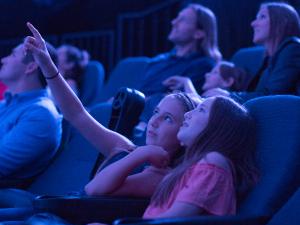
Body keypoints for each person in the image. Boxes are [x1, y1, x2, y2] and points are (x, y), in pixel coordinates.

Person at [76, 95, 258, 225]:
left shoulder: (214, 162)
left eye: (201, 110)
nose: (188, 114)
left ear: (217, 129)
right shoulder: (185, 171)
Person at [24, 23, 201, 199]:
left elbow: (94, 190)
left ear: (184, 132)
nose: (153, 121)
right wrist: (46, 62)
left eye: (168, 119)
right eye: (156, 113)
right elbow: (77, 115)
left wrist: (140, 155)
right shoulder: (128, 148)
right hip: (56, 213)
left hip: (69, 220)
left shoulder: (162, 177)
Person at [136, 3, 221, 130]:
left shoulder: (204, 65)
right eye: (177, 18)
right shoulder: (158, 60)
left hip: (153, 121)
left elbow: (175, 102)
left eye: (183, 20)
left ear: (198, 33)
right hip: (136, 112)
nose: (173, 22)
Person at [203, 2, 300, 103]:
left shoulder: (292, 48)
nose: (253, 24)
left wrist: (229, 96)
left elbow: (273, 95)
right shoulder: (270, 57)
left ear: (282, 22)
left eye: (262, 17)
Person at [0, 40, 62, 188]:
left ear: (31, 66)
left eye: (13, 55)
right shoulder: (5, 104)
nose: (3, 60)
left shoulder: (41, 114)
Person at [162, 61, 248, 96]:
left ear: (228, 82)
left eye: (215, 73)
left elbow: (196, 105)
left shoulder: (221, 96)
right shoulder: (208, 94)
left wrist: (186, 82)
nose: (207, 75)